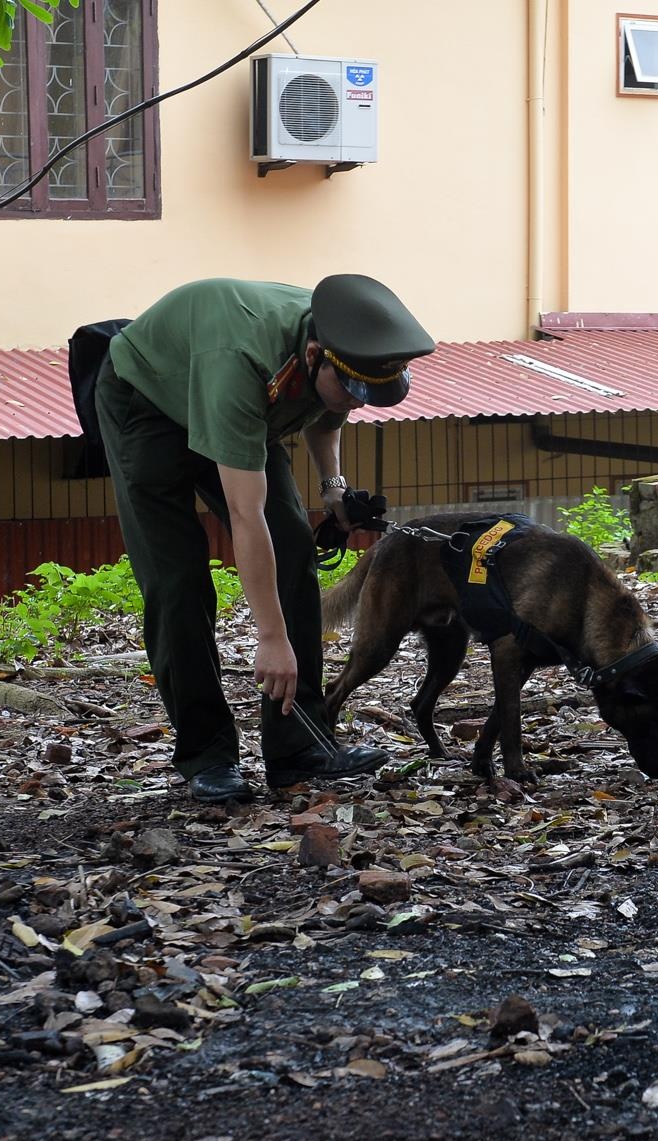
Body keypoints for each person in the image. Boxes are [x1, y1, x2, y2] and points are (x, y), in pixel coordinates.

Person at [94, 274, 435, 803]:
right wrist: (271, 638)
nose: (356, 401)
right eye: (350, 388)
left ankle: (299, 748)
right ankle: (206, 755)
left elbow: (329, 414)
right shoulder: (242, 363)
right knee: (178, 581)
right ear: (316, 355)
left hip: (241, 396)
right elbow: (244, 514)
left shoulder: (346, 342)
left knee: (294, 546)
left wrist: (334, 491)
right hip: (149, 402)